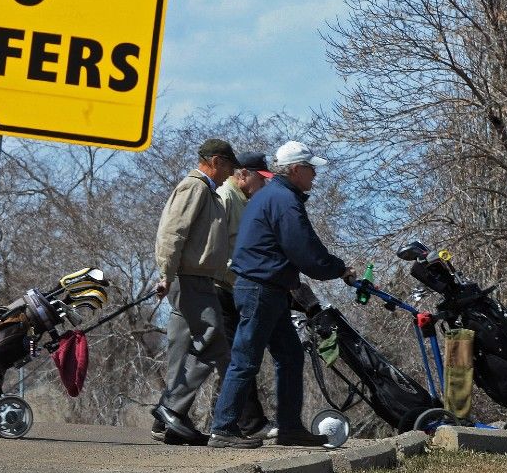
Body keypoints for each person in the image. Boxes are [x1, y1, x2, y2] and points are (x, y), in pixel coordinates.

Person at [209, 140, 355, 449]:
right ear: (295, 170)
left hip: (268, 288)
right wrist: (338, 268)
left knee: (289, 356)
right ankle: (223, 429)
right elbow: (305, 250)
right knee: (245, 359)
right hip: (260, 288)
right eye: (310, 168)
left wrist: (329, 266)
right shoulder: (283, 200)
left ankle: (289, 428)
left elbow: (302, 248)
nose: (314, 174)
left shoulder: (274, 196)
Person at [151, 138, 239, 445]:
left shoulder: (208, 191)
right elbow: (172, 232)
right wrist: (165, 274)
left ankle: (171, 424)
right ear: (215, 161)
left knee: (180, 349)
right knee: (214, 342)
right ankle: (170, 408)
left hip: (196, 279)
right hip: (190, 279)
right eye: (228, 166)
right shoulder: (196, 187)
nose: (230, 174)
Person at [213, 151, 275, 440]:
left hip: (235, 286)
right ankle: (237, 425)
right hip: (221, 288)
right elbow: (215, 245)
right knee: (236, 359)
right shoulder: (225, 198)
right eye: (259, 178)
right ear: (242, 175)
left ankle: (247, 422)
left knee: (235, 358)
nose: (262, 185)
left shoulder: (246, 202)